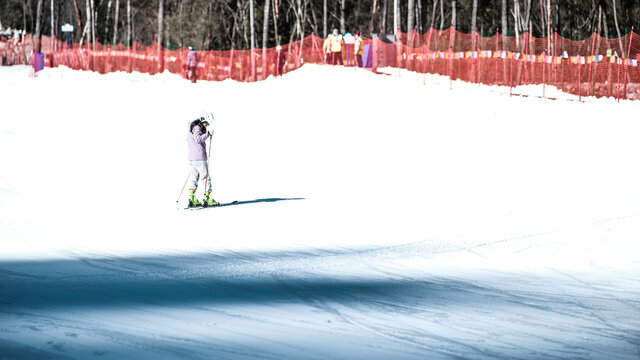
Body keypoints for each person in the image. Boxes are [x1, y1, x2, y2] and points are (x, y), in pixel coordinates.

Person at [187, 113, 218, 207]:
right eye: (206, 123)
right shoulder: (197, 128)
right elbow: (198, 139)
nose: (206, 125)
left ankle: (192, 198)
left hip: (192, 158)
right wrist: (207, 134)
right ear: (203, 120)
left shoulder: (191, 127)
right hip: (199, 157)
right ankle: (208, 199)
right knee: (206, 177)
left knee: (194, 177)